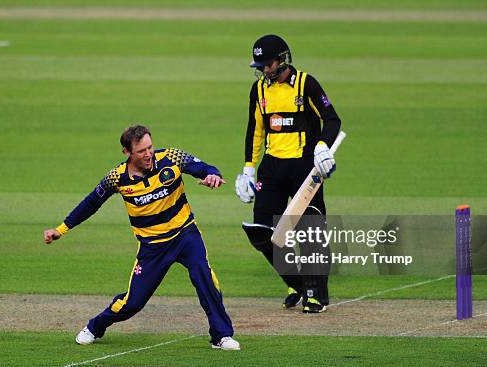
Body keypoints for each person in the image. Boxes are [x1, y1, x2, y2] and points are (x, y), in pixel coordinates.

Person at [44, 125, 240, 350]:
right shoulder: (116, 178)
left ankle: (221, 336)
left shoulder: (171, 157)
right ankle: (94, 327)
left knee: (204, 276)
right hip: (152, 248)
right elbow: (90, 204)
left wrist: (212, 176)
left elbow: (204, 167)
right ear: (127, 152)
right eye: (141, 151)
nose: (148, 154)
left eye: (150, 147)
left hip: (186, 235)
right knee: (132, 303)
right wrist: (61, 229)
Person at [236, 34, 342, 313]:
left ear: (282, 60)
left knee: (311, 231)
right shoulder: (258, 90)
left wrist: (322, 146)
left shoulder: (306, 83)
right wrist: (248, 168)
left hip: (305, 167)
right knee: (262, 232)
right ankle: (296, 282)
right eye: (260, 65)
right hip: (271, 167)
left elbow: (332, 119)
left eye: (267, 64)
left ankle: (316, 294)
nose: (263, 70)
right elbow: (255, 130)